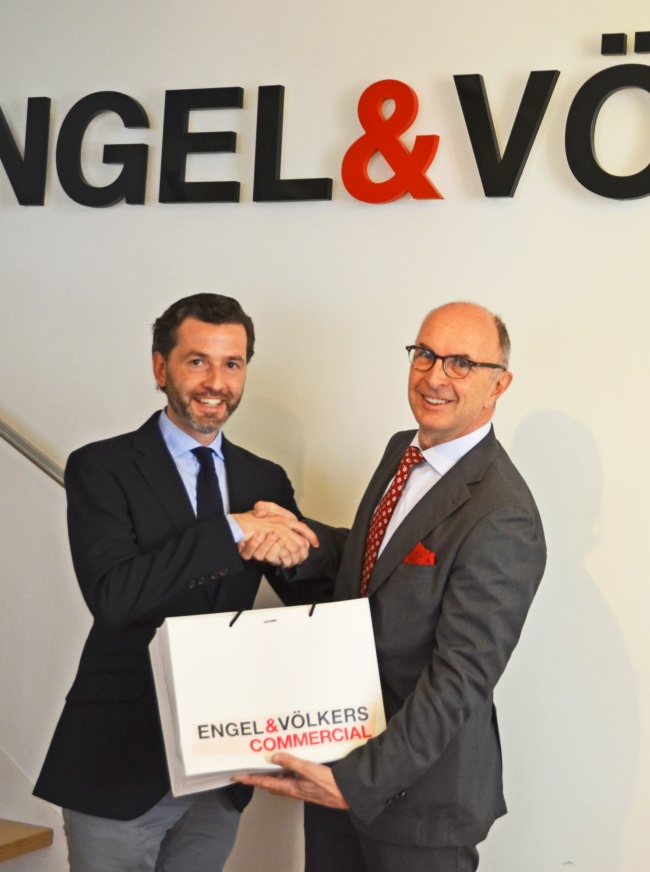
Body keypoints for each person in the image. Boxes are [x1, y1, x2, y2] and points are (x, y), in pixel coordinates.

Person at [237, 302, 547, 872]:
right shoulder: (403, 450)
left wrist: (357, 782)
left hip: (417, 805)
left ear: (498, 384)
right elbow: (372, 566)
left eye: (461, 363)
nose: (434, 376)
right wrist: (296, 539)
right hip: (337, 761)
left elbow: (459, 681)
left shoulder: (503, 515)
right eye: (425, 354)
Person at [33, 292, 320, 872]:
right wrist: (231, 529)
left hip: (220, 764)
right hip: (118, 761)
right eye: (197, 361)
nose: (216, 382)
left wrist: (300, 550)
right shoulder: (100, 467)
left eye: (232, 364)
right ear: (160, 367)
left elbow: (307, 592)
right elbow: (115, 596)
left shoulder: (263, 478)